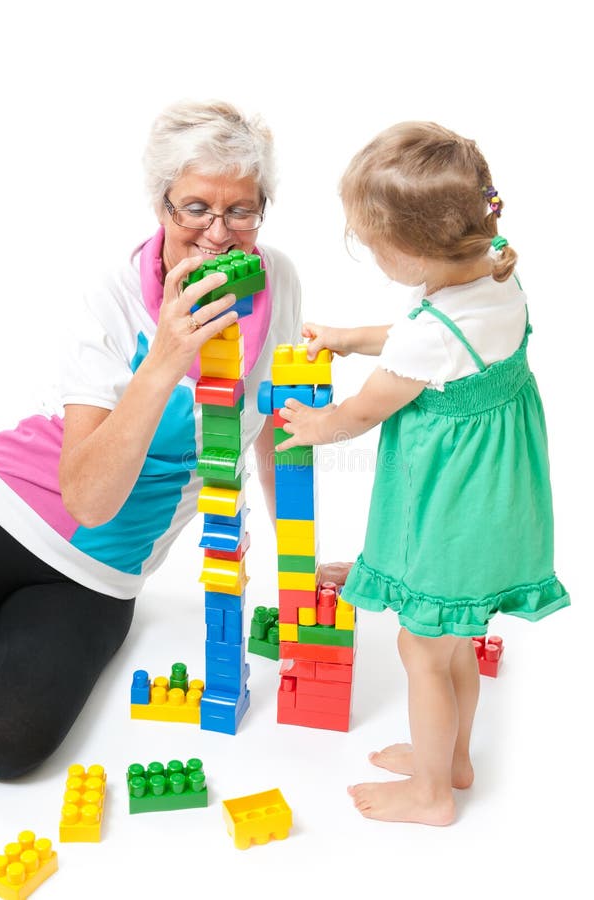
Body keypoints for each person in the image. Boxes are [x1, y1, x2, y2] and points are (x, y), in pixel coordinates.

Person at [0, 99, 305, 780]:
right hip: (11, 502)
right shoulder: (110, 293)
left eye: (241, 211)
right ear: (161, 204)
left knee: (13, 746)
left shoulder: (276, 280)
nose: (218, 233)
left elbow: (278, 427)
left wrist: (301, 566)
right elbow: (86, 495)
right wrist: (165, 355)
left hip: (98, 570)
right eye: (195, 208)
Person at [277, 121, 570, 826]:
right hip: (492, 497)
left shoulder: (428, 332)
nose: (370, 253)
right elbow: (428, 336)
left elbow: (366, 409)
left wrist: (317, 426)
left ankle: (431, 795)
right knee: (451, 639)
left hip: (452, 500)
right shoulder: (495, 271)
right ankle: (454, 759)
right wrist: (351, 337)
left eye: (372, 244)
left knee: (420, 647)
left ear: (410, 252)